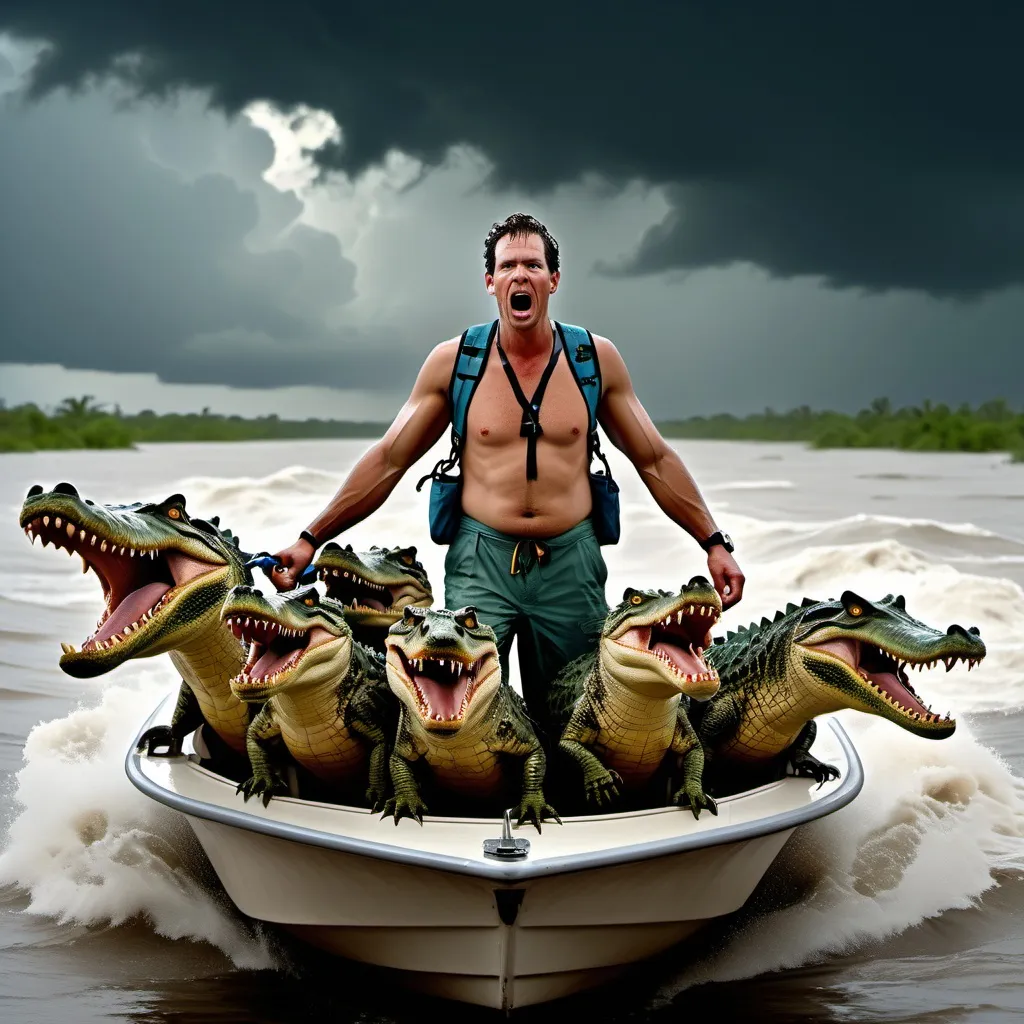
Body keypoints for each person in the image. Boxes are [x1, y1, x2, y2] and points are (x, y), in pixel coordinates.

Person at [268, 212, 744, 723]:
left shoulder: (593, 359)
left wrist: (714, 542)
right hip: (481, 562)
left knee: (575, 711)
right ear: (490, 281)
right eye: (508, 265)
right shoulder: (457, 362)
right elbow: (389, 459)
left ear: (553, 280)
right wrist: (309, 539)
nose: (521, 275)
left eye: (534, 266)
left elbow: (654, 458)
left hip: (571, 562)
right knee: (458, 706)